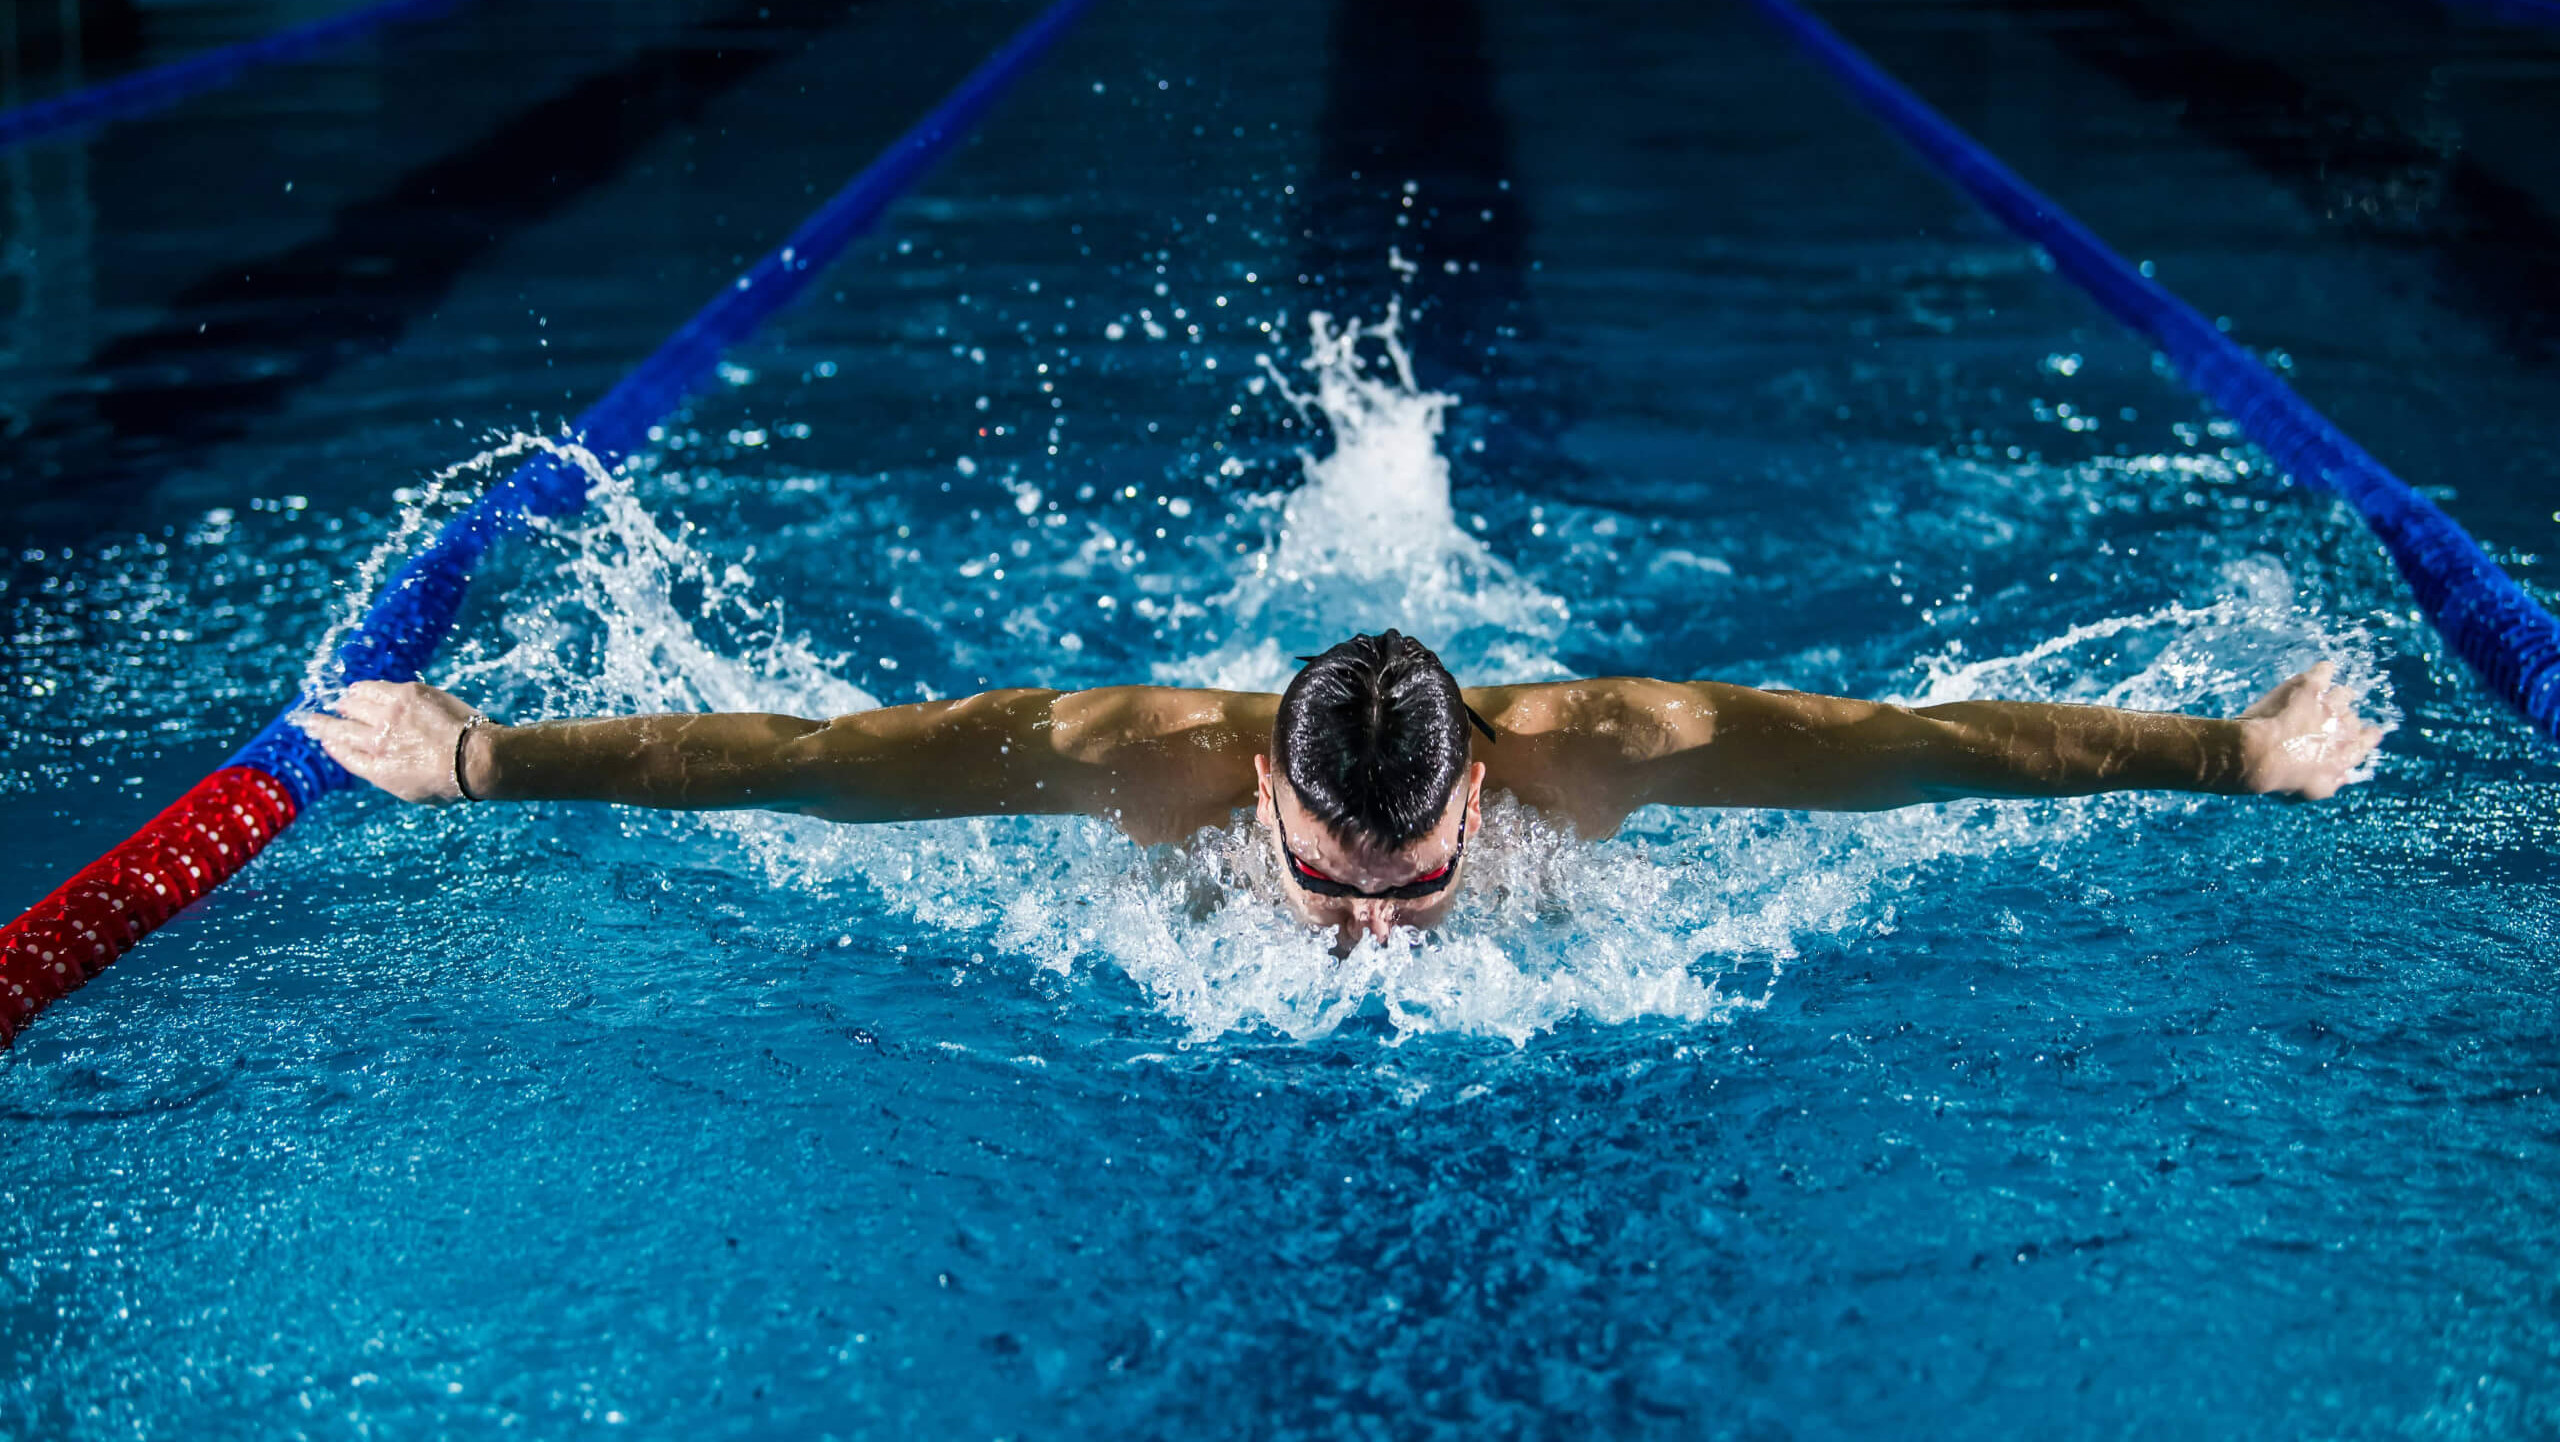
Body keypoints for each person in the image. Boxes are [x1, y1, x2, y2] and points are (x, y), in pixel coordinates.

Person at [297, 630, 2383, 949]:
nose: (1363, 932)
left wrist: (2232, 753)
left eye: (1403, 887)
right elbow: (820, 770)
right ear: (1262, 796)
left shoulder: (1614, 748)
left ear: (1484, 779)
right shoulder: (1136, 764)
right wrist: (482, 757)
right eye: (1325, 877)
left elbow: (1928, 748)